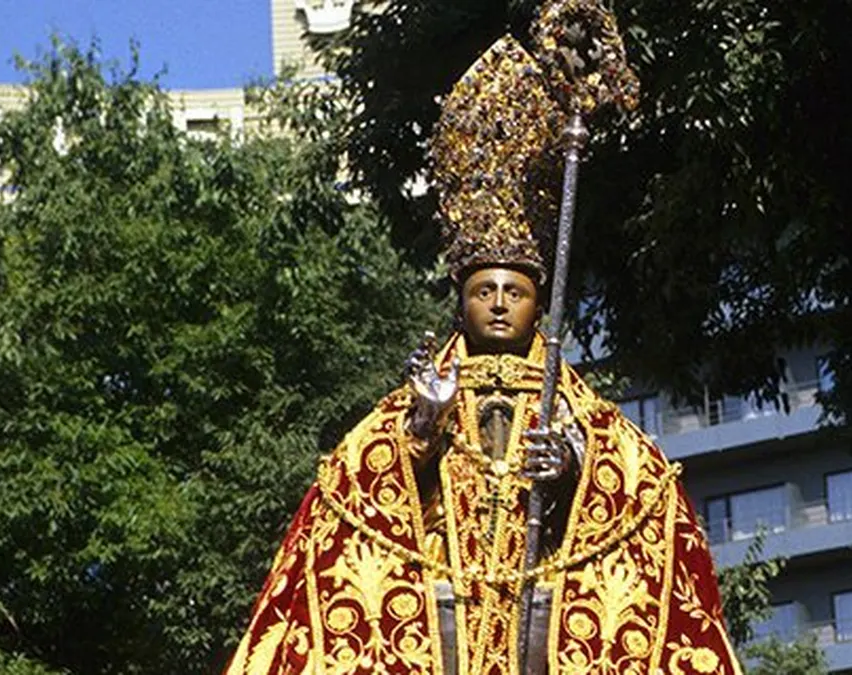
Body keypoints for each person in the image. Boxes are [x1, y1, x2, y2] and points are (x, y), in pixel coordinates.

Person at [224, 2, 742, 673]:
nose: (499, 304)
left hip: (541, 620)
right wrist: (422, 429)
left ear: (538, 303)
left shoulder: (581, 415)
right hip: (445, 625)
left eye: (515, 291)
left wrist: (574, 469)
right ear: (460, 300)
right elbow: (350, 501)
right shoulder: (418, 400)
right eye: (483, 290)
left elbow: (643, 497)